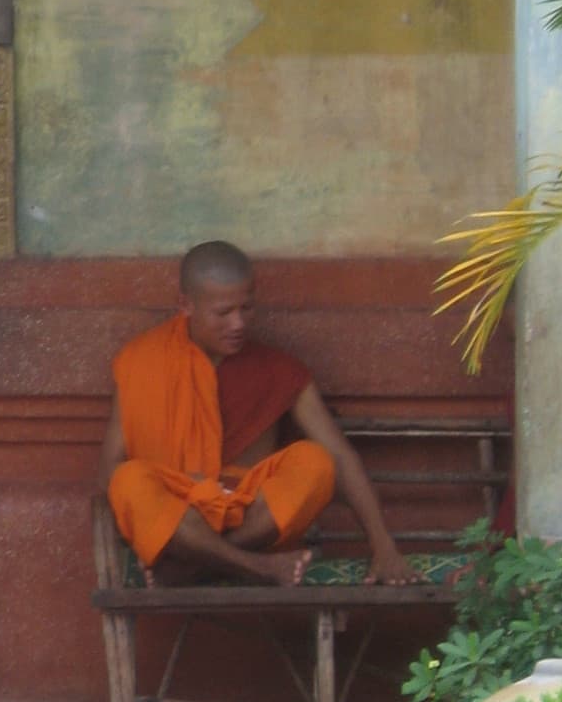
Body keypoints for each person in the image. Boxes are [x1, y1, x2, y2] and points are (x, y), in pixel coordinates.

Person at [101, 241, 414, 587]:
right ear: (185, 304)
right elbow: (110, 471)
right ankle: (257, 566)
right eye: (223, 313)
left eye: (247, 308)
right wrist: (154, 517)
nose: (238, 323)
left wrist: (383, 544)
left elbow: (339, 454)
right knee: (127, 480)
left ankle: (198, 567)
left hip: (247, 515)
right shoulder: (141, 361)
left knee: (316, 463)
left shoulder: (279, 370)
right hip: (179, 516)